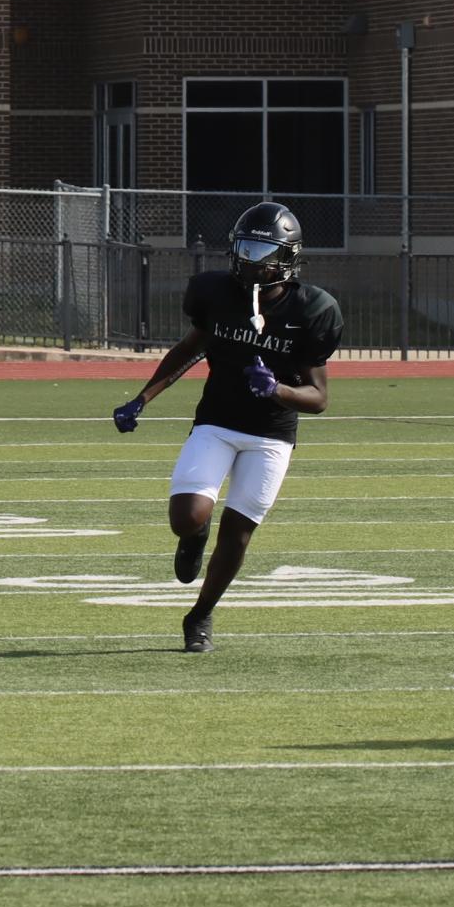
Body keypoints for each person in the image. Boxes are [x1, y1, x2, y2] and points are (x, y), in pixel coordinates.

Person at [112, 201, 343, 654]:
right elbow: (189, 348)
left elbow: (318, 399)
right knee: (187, 516)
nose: (252, 261)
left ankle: (199, 615)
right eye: (247, 248)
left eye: (264, 251)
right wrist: (141, 398)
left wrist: (276, 389)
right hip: (217, 421)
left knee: (237, 532)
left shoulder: (313, 309)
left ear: (288, 258)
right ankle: (192, 540)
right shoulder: (215, 293)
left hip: (271, 435)